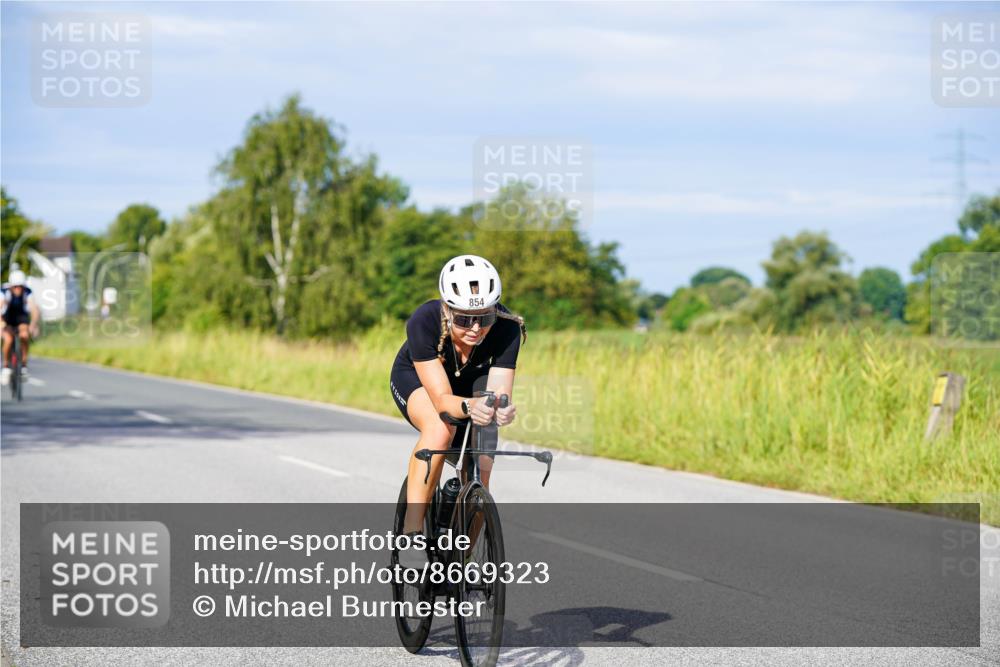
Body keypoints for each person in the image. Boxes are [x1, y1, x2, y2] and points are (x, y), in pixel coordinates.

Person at [390, 255, 526, 568]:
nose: (475, 328)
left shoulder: (507, 328)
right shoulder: (424, 321)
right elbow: (442, 400)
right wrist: (470, 406)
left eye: (484, 317)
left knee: (483, 465)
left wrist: (501, 409)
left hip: (470, 389)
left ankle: (460, 561)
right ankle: (412, 535)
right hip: (420, 381)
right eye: (464, 319)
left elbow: (499, 392)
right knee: (441, 428)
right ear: (447, 311)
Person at [1, 269, 41, 385]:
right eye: (15, 287)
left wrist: (33, 325)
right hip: (7, 318)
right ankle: (6, 366)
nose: (18, 289)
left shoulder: (27, 292)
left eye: (20, 286)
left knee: (24, 335)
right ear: (11, 286)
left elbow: (34, 309)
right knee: (8, 339)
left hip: (21, 317)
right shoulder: (4, 292)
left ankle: (23, 365)